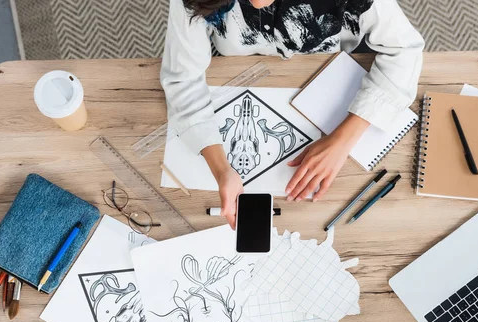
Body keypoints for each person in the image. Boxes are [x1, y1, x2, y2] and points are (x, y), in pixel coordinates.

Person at [161, 0, 424, 228]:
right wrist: (221, 170)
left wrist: (342, 141)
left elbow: (405, 49)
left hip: (333, 64)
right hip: (231, 67)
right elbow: (182, 79)